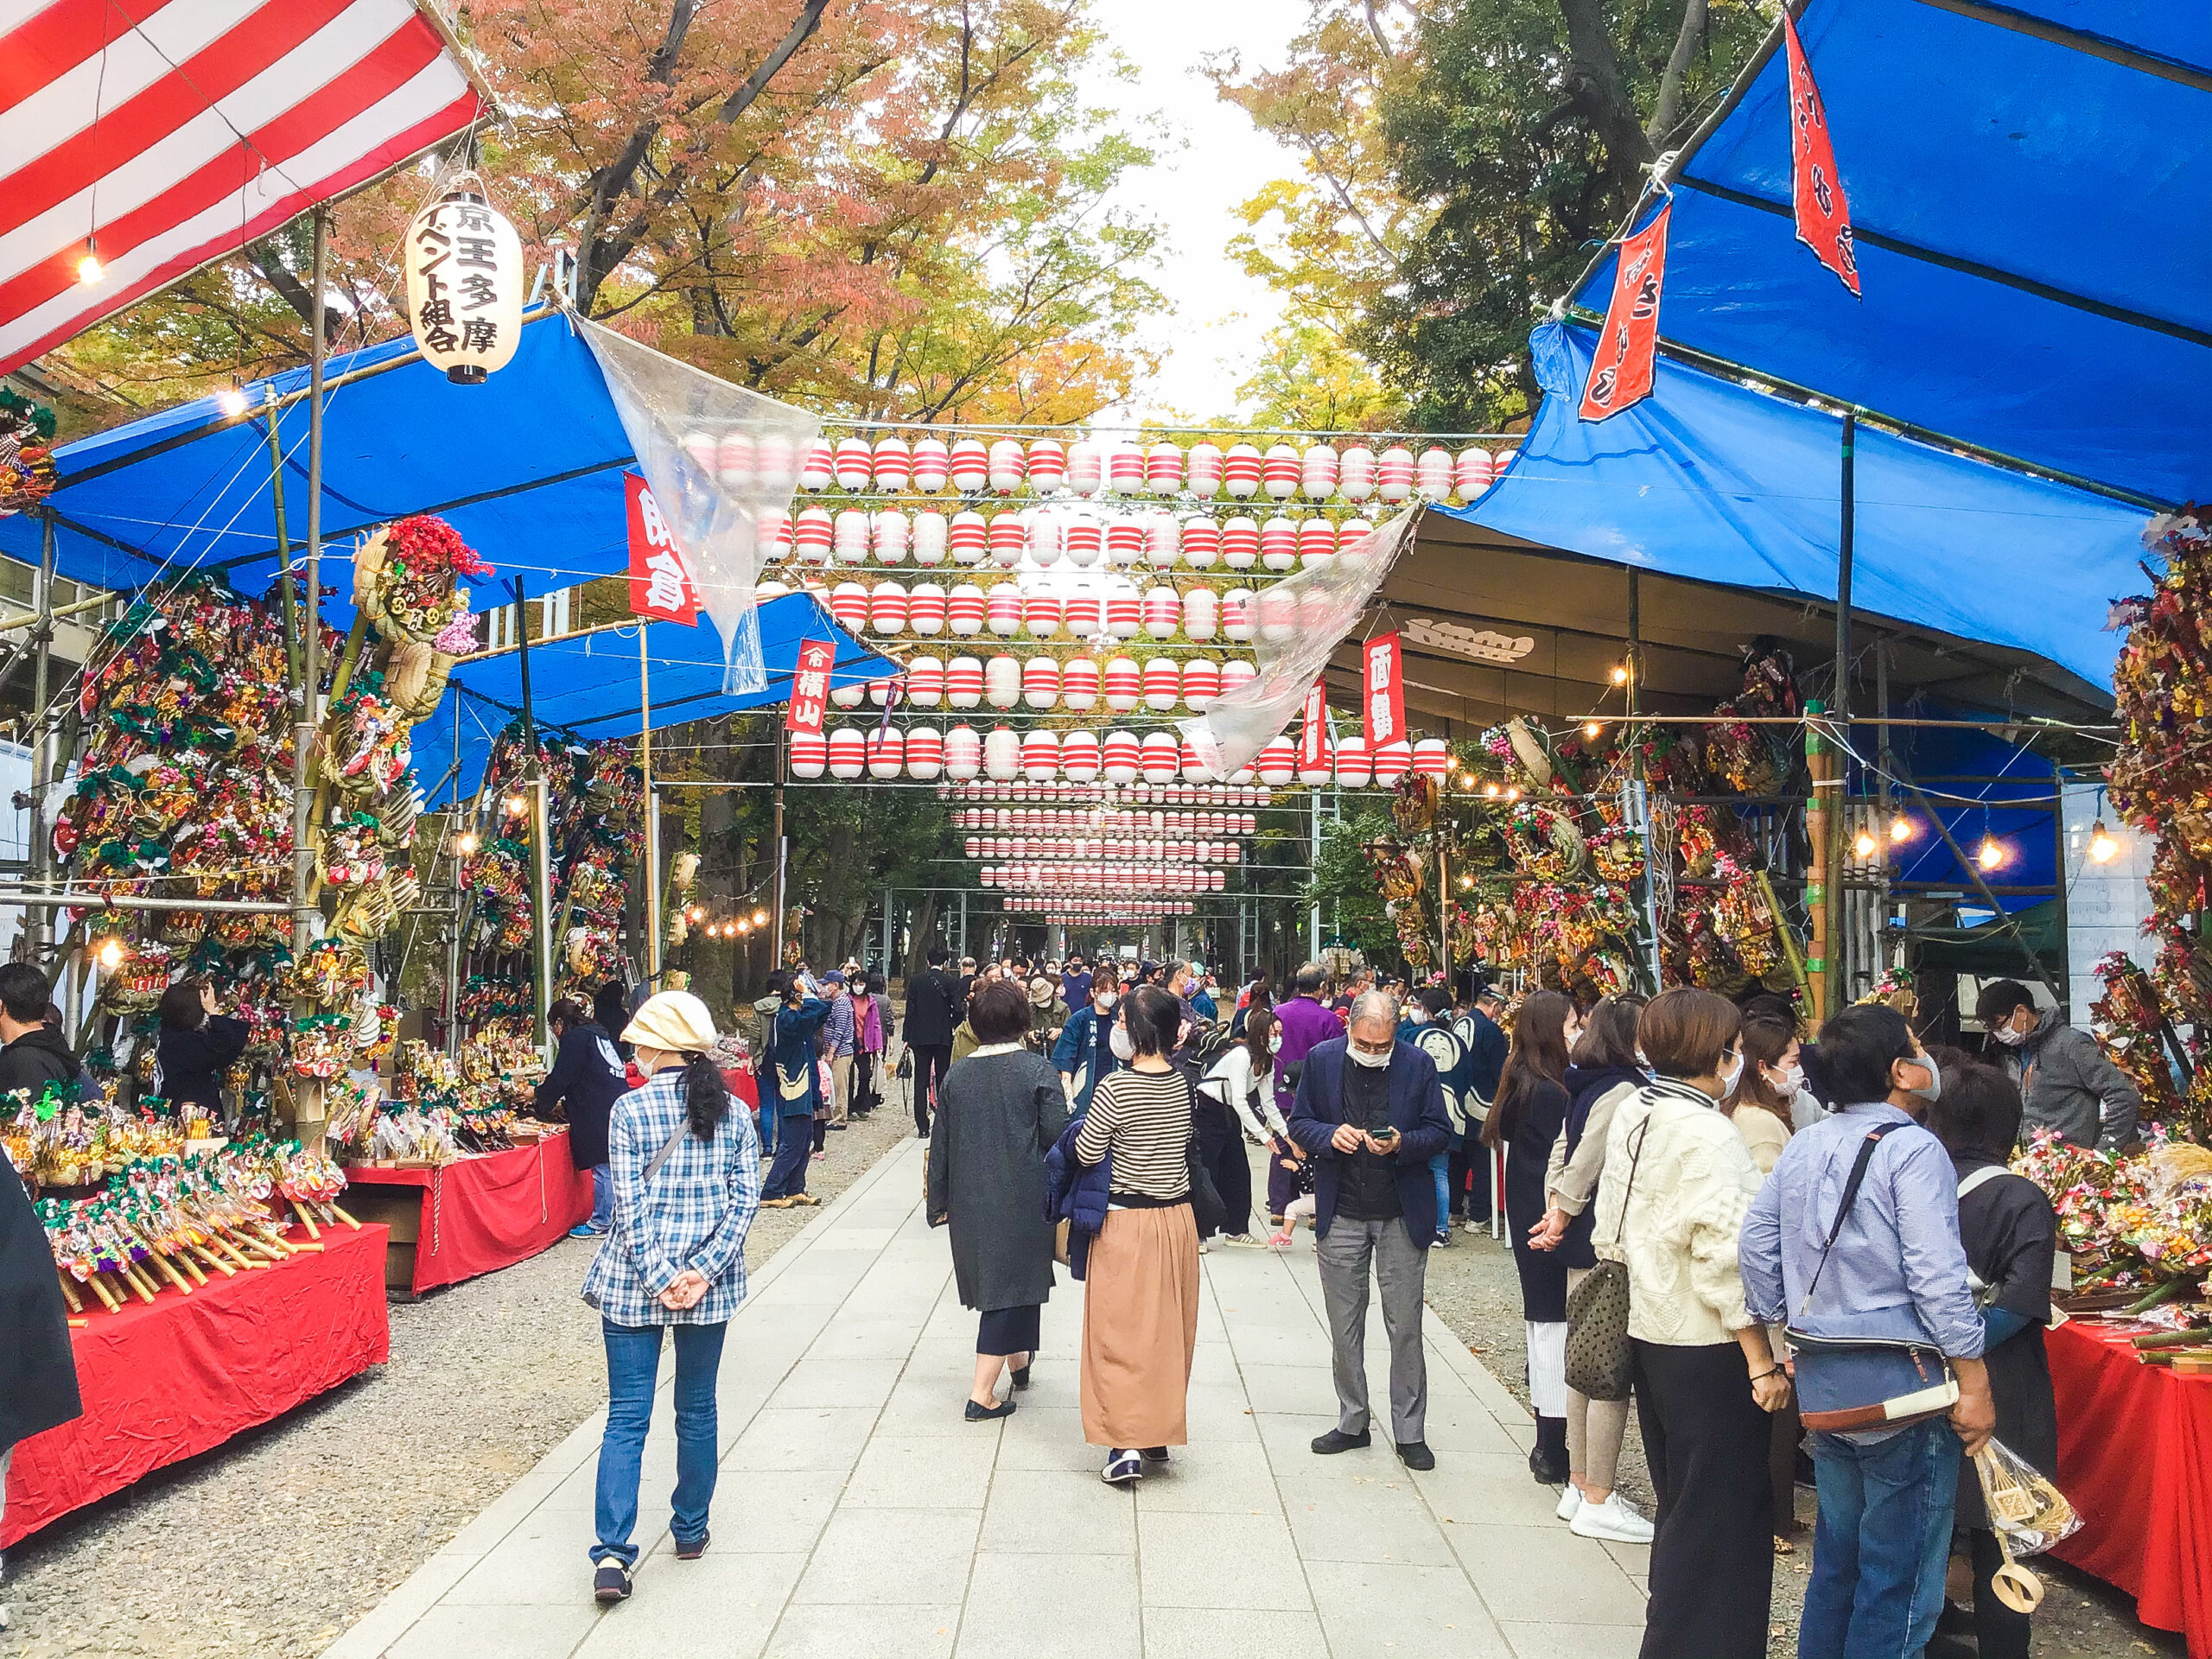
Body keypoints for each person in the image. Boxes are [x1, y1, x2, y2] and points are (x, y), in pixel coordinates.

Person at [1739, 1003, 1993, 1659]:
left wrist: (1786, 1330)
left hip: (1826, 1382)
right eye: (1914, 1045)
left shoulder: (1806, 1142)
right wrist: (1973, 1378)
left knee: (1839, 1564)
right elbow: (1938, 1276)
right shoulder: (1913, 1149)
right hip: (1904, 1389)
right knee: (1900, 1578)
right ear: (1898, 1071)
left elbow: (1757, 1243)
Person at [1592, 988, 1788, 1659]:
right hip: (1709, 1343)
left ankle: (1673, 1636)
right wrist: (1761, 1359)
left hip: (1651, 1325)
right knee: (1722, 1516)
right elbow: (1726, 1258)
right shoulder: (1708, 1130)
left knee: (1683, 1502)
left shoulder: (1636, 1107)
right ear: (1722, 1050)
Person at [580, 991, 760, 1603]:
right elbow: (744, 1203)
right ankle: (690, 1528)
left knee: (627, 1416)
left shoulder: (628, 1110)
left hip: (634, 1283)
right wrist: (702, 1272)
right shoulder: (734, 1112)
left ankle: (611, 1554)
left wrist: (659, 1277)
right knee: (698, 1409)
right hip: (709, 1288)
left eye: (639, 1042)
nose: (634, 1050)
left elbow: (626, 1209)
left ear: (659, 1046)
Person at [1288, 988, 1455, 1471]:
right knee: (1344, 1324)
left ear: (1395, 1035)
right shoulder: (1322, 1061)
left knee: (1405, 1325)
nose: (1374, 1052)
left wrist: (1403, 1143)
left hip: (1401, 1211)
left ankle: (1410, 1430)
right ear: (1350, 1030)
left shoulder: (1418, 1064)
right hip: (1341, 1208)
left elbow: (1441, 1132)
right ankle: (1352, 1420)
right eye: (1366, 1043)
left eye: (1383, 1046)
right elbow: (1300, 1122)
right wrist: (1328, 1135)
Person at [1924, 1062, 2056, 1659]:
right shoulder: (2023, 1199)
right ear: (2011, 1125)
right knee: (2000, 1531)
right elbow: (2025, 1299)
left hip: (1919, 1372)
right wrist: (1970, 1342)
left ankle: (1923, 1635)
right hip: (2003, 1379)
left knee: (1923, 1522)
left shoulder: (1912, 1184)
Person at [1528, 992, 1651, 1543]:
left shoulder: (1583, 1081)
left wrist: (1555, 1205)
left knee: (1581, 1363)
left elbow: (1563, 1149)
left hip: (1576, 1231)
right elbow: (1588, 1157)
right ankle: (1595, 1489)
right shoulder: (1624, 1088)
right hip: (1600, 1238)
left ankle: (1579, 1484)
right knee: (1602, 1370)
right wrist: (1563, 1211)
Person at [1074, 985, 1201, 1485]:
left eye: (1124, 1022)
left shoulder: (1114, 1088)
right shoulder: (1183, 1083)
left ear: (1140, 1031)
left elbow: (1087, 1152)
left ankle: (1124, 1443)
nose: (1117, 1029)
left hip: (1126, 1220)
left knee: (1117, 1333)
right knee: (1168, 1332)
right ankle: (1156, 1429)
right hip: (1177, 1220)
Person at [928, 979, 1070, 1421]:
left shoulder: (958, 1074)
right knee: (1010, 1287)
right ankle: (980, 1393)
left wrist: (939, 1200)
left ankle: (1020, 1364)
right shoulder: (1036, 1071)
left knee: (1011, 1282)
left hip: (971, 1197)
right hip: (1023, 1196)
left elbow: (942, 1141)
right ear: (1022, 1020)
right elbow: (1056, 1136)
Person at [1480, 989, 1577, 1483]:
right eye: (1571, 1023)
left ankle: (1548, 1441)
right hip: (1545, 1224)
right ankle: (1552, 1445)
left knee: (1544, 1329)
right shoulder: (1548, 1091)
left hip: (1527, 1219)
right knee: (1552, 1330)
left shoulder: (1524, 1080)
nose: (1577, 1031)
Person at [1723, 1014, 1805, 1552]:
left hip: (1762, 1277)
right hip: (1765, 1278)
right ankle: (1773, 1514)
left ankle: (1775, 1510)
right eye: (1794, 1063)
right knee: (1776, 1400)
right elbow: (1768, 1211)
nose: (1799, 1074)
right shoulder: (1759, 1126)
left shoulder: (1754, 1115)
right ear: (1763, 1066)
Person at [1974, 978, 2139, 1153]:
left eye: (1999, 1025)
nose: (1998, 1034)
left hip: (2072, 1169)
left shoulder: (2072, 1045)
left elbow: (2124, 1096)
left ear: (2021, 1011)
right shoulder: (2012, 1053)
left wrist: (2104, 1153)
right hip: (2031, 1164)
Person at [538, 997, 630, 1239]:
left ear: (559, 1022)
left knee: (603, 1166)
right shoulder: (599, 1034)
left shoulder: (575, 1039)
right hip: (614, 1100)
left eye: (552, 1027)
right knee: (613, 1164)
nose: (555, 1033)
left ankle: (601, 1220)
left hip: (598, 1107)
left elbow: (562, 1077)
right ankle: (614, 1216)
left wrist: (539, 1097)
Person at [1192, 1004, 1281, 1249]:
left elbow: (1268, 1102)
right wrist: (1264, 1136)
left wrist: (1287, 1134)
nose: (1278, 1038)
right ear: (1261, 1034)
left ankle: (1237, 1229)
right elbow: (1242, 1100)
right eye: (1274, 1033)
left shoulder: (1267, 1061)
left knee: (1238, 1171)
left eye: (1279, 1033)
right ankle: (1198, 1232)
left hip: (1229, 1113)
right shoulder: (1242, 1056)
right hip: (1208, 1110)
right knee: (1207, 1170)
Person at [1270, 963, 1343, 1228]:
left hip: (1281, 1087)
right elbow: (1337, 1055)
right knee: (1316, 1149)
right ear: (1322, 988)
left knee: (1281, 1144)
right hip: (1315, 1092)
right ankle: (1315, 1207)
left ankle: (1279, 1206)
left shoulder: (1278, 1012)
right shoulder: (1328, 1019)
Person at [1404, 987, 1471, 1244]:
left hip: (1415, 1114)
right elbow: (1467, 1078)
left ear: (1424, 1009)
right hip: (1449, 1113)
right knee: (1440, 1171)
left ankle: (1416, 1224)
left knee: (1415, 1171)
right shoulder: (1458, 1042)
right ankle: (1441, 1228)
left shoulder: (1410, 1036)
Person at [758, 974, 830, 1209]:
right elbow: (812, 1011)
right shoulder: (786, 1018)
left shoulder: (797, 1017)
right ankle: (772, 1190)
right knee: (792, 1141)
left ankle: (795, 1187)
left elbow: (822, 1011)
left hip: (805, 1083)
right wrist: (808, 995)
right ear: (796, 995)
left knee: (804, 1137)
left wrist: (811, 996)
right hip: (793, 1084)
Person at [151, 976, 248, 1124]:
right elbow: (227, 1045)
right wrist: (212, 1012)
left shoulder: (171, 1036)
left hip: (187, 1107)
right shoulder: (182, 1043)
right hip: (189, 1114)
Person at [1454, 981, 1509, 1230]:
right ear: (1495, 1006)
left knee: (1459, 1156)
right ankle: (1477, 1216)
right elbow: (1501, 1073)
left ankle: (1454, 1210)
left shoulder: (1459, 1023)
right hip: (1482, 1100)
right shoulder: (1491, 1031)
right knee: (1483, 1159)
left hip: (1457, 1098)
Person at [1052, 963, 1126, 1113]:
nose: (1109, 995)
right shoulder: (1079, 1019)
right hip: (1086, 1080)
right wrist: (1067, 1087)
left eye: (1113, 991)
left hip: (1114, 1079)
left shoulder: (1120, 1017)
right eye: (1104, 991)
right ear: (1093, 992)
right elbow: (1066, 1054)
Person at [905, 946, 961, 1140]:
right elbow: (959, 1009)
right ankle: (944, 1121)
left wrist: (906, 1037)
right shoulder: (951, 981)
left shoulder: (916, 981)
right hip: (943, 1035)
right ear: (945, 963)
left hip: (920, 1036)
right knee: (943, 1078)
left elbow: (910, 1010)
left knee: (921, 1080)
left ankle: (922, 1126)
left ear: (928, 961)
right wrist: (952, 1024)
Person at [819, 970, 856, 1132]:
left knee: (840, 1086)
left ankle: (840, 1118)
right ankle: (835, 1115)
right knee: (835, 1084)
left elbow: (839, 1030)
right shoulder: (836, 1002)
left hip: (841, 1052)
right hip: (837, 1051)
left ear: (835, 985)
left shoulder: (841, 1003)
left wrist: (831, 1052)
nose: (824, 987)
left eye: (826, 984)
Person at [853, 971, 889, 1118]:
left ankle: (860, 1103)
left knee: (865, 1075)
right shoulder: (848, 1000)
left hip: (865, 1044)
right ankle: (847, 1106)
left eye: (861, 984)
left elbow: (876, 1025)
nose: (858, 987)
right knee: (848, 1077)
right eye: (855, 983)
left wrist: (878, 1045)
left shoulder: (871, 1002)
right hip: (850, 1043)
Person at [1026, 976, 1069, 1052]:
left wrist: (1059, 1031)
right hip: (1034, 1052)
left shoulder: (1062, 1008)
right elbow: (1019, 1031)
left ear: (1051, 994)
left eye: (1044, 1000)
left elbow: (1071, 1031)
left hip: (1056, 1051)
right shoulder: (1029, 1009)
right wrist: (1029, 1034)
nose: (1042, 1003)